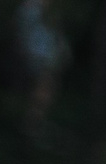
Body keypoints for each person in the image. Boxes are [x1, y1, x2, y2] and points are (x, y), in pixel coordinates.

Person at [17, 0, 70, 137]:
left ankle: (37, 125)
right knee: (41, 91)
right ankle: (32, 127)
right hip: (36, 62)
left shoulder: (51, 14)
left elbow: (59, 43)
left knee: (45, 92)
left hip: (48, 63)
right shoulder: (30, 10)